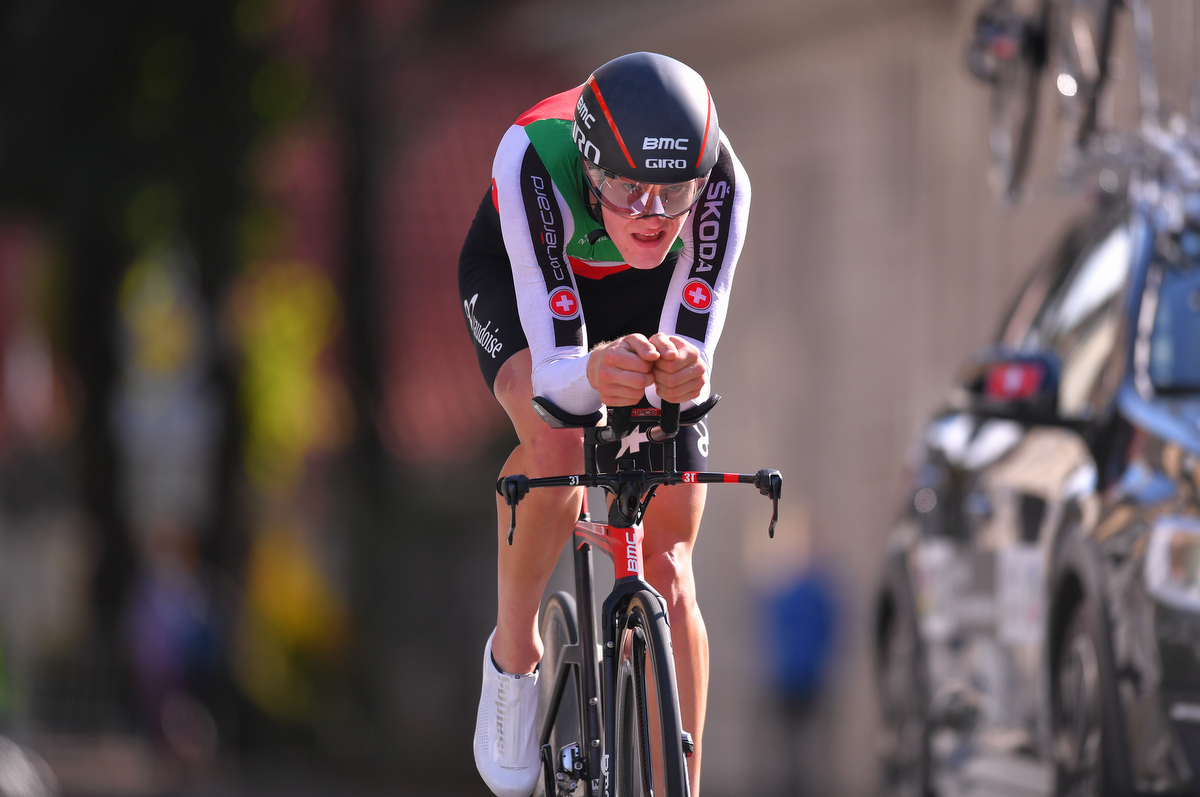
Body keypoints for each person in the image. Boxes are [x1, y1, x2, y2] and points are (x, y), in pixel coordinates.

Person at [460, 51, 750, 797]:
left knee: (671, 562)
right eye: (627, 188)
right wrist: (594, 374)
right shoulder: (532, 157)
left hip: (642, 302)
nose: (652, 215)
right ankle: (515, 654)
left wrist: (683, 376)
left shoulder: (723, 187)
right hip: (536, 292)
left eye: (671, 192)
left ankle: (676, 780)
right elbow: (559, 373)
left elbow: (694, 345)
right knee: (554, 434)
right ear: (591, 169)